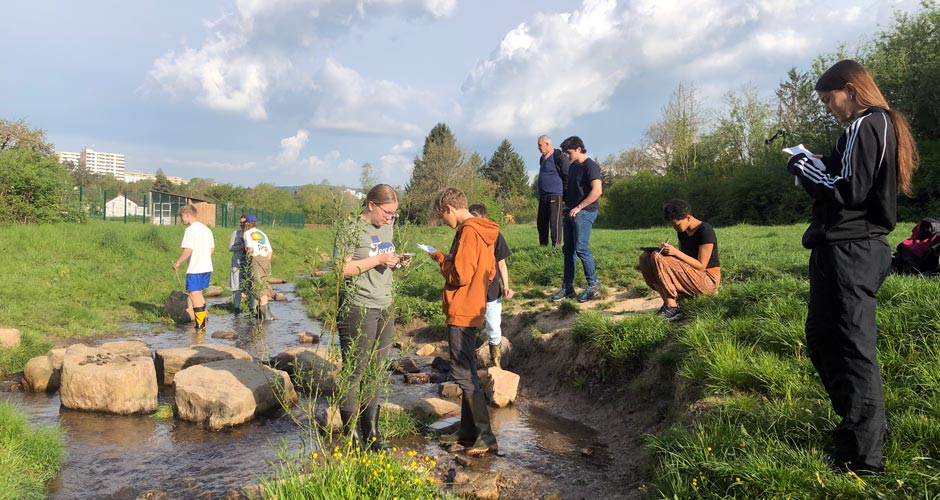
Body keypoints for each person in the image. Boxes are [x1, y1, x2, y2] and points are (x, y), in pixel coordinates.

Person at [785, 59, 918, 474]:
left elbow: (849, 191)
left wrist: (803, 166)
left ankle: (864, 459)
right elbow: (851, 180)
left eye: (829, 99)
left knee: (850, 350)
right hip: (844, 248)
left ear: (851, 88)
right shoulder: (868, 129)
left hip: (852, 251)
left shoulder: (868, 123)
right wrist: (825, 162)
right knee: (824, 343)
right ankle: (866, 428)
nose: (827, 107)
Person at [334, 184, 407, 452]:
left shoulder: (387, 227)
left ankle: (372, 433)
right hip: (358, 306)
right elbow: (342, 268)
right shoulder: (350, 227)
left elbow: (384, 258)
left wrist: (396, 262)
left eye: (394, 214)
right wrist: (377, 260)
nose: (390, 218)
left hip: (385, 304)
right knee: (355, 372)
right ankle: (352, 437)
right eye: (387, 213)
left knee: (376, 372)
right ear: (371, 205)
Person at [430, 188, 500, 456]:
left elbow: (459, 275)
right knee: (467, 368)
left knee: (461, 371)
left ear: (449, 208)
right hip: (475, 307)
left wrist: (441, 260)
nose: (444, 223)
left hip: (462, 308)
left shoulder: (469, 231)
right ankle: (469, 430)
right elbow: (489, 270)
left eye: (442, 217)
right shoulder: (486, 230)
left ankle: (485, 433)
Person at [638, 199, 720, 321]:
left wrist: (675, 253)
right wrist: (668, 253)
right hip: (692, 274)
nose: (675, 227)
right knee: (645, 257)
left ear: (688, 217)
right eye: (672, 225)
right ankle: (667, 304)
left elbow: (702, 265)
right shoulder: (682, 231)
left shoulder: (705, 231)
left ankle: (673, 307)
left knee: (657, 257)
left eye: (677, 224)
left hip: (708, 279)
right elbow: (682, 260)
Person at [550, 136, 602, 303]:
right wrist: (567, 208)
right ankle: (568, 287)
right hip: (570, 212)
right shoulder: (572, 167)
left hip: (585, 212)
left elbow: (597, 191)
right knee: (568, 250)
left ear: (579, 149)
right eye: (565, 153)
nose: (567, 155)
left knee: (581, 248)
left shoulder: (591, 166)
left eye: (569, 152)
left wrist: (579, 207)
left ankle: (593, 285)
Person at [469, 203, 513, 368]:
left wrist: (506, 285)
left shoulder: (495, 235)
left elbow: (501, 263)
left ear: (484, 218)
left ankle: (496, 363)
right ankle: (468, 363)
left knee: (494, 327)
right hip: (471, 289)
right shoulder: (466, 234)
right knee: (469, 326)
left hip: (492, 289)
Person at [172, 204, 215, 332]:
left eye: (182, 217)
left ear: (188, 215)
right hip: (207, 266)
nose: (182, 220)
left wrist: (178, 262)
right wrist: (204, 257)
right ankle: (203, 321)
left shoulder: (190, 230)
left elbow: (188, 249)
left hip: (195, 268)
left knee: (194, 295)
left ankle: (200, 325)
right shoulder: (207, 229)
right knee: (199, 294)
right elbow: (212, 248)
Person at [536, 135, 569, 247]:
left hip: (555, 194)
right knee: (541, 222)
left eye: (540, 145)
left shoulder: (558, 156)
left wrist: (564, 194)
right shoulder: (542, 159)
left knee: (555, 222)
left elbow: (566, 175)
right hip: (543, 195)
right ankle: (543, 246)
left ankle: (556, 246)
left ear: (547, 144)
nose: (538, 148)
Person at [242, 214, 275, 322]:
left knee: (258, 287)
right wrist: (266, 262)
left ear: (247, 223)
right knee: (263, 285)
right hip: (266, 260)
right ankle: (265, 314)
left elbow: (250, 249)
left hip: (256, 259)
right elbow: (270, 251)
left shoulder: (247, 233)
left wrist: (249, 261)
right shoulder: (262, 233)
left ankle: (267, 316)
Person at [228, 215, 248, 314]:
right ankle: (237, 309)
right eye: (240, 222)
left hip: (248, 263)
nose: (241, 224)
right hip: (237, 262)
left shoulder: (251, 234)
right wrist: (241, 246)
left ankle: (252, 308)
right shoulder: (235, 233)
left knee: (249, 285)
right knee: (237, 285)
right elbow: (230, 248)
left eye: (244, 222)